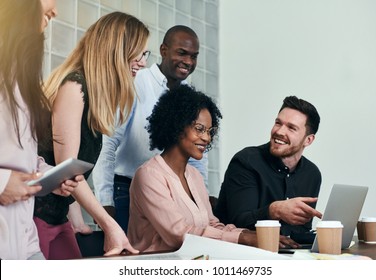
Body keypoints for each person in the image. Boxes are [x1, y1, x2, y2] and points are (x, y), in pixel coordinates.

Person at [33, 11, 148, 259]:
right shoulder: (75, 88)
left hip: (57, 219)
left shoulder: (93, 98)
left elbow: (64, 174)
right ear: (116, 50)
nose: (143, 62)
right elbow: (68, 170)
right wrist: (110, 225)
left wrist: (78, 223)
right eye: (138, 53)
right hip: (33, 220)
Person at [93, 25, 208, 233]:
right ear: (164, 50)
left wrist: (202, 199)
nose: (189, 62)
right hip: (125, 192)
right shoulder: (136, 82)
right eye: (182, 53)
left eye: (194, 56)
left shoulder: (190, 97)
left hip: (172, 193)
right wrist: (105, 203)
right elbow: (107, 144)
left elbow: (197, 156)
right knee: (127, 260)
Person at [127, 85, 261, 252]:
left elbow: (211, 224)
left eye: (210, 131)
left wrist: (251, 235)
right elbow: (178, 235)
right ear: (177, 126)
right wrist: (242, 238)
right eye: (199, 129)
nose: (206, 137)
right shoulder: (148, 175)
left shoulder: (194, 175)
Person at [0, 0, 81, 260]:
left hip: (24, 244)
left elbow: (20, 156)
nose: (56, 11)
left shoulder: (20, 78)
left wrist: (48, 177)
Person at [214, 96, 323, 248]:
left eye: (291, 128)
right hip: (239, 253)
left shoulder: (312, 174)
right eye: (278, 123)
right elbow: (237, 221)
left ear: (308, 140)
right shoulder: (246, 161)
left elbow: (300, 230)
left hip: (287, 255)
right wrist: (274, 210)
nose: (279, 131)